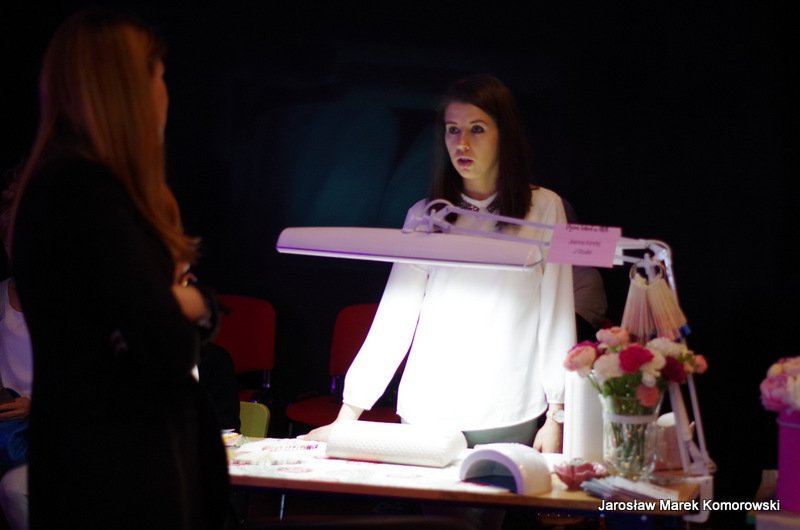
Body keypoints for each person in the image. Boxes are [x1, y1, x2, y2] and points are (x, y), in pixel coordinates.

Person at [9, 9, 230, 529]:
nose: (166, 93)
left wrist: (177, 304)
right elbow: (167, 344)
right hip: (122, 474)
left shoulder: (66, 187)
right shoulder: (87, 193)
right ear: (129, 87)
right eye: (160, 75)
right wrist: (197, 302)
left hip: (104, 462)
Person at [305, 74, 576, 453]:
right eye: (453, 130)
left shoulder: (544, 208)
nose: (462, 143)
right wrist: (347, 415)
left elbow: (557, 312)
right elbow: (395, 316)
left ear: (504, 134)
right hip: (426, 408)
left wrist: (557, 414)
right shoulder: (426, 215)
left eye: (477, 129)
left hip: (509, 409)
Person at [0, 183, 31, 530]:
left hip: (56, 430)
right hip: (8, 436)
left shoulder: (71, 305)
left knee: (14, 488)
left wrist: (34, 406)